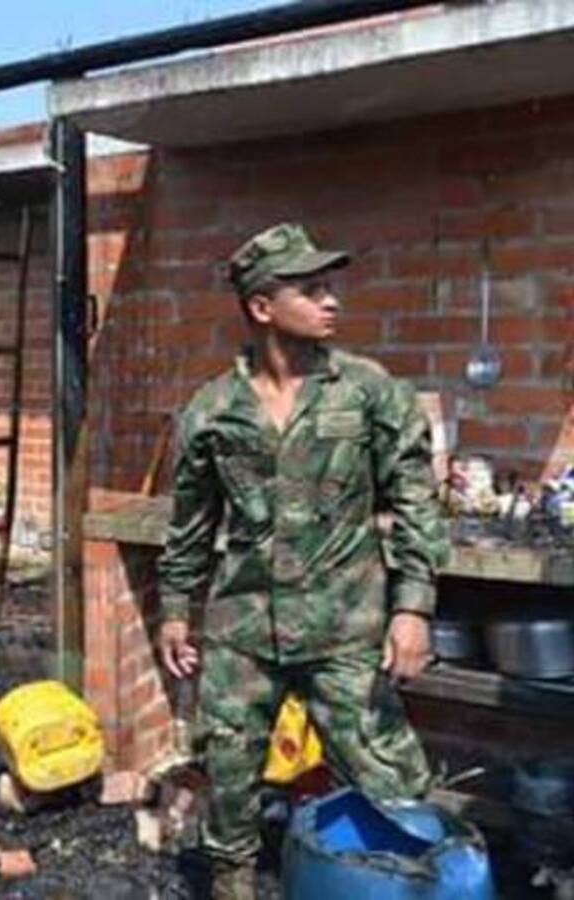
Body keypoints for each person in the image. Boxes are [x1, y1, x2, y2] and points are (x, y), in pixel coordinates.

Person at [155, 223, 449, 900]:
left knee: (392, 780)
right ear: (262, 307)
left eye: (330, 287)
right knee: (228, 780)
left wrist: (413, 608)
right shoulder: (212, 411)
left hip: (345, 629)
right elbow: (192, 523)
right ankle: (233, 888)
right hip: (243, 632)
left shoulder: (369, 391)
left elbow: (416, 501)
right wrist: (175, 609)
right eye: (310, 289)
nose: (331, 302)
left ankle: (406, 885)